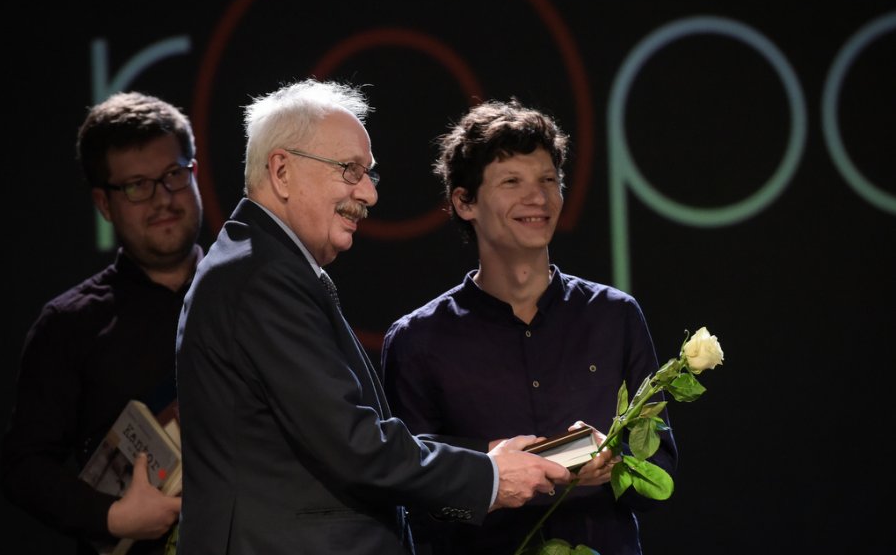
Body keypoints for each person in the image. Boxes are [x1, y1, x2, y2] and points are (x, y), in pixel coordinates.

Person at [173, 78, 571, 555]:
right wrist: (488, 476)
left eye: (369, 175)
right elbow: (353, 444)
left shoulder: (260, 264)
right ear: (281, 172)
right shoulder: (260, 277)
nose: (369, 194)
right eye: (350, 170)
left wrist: (487, 457)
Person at [380, 99, 678, 555]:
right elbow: (414, 500)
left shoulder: (614, 316)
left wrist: (616, 463)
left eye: (548, 181)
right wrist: (497, 472)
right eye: (511, 182)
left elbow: (660, 471)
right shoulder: (418, 340)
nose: (537, 198)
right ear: (465, 202)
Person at [0, 91, 204, 554]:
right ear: (104, 203)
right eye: (136, 185)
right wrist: (111, 516)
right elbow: (24, 466)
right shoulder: (68, 325)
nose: (162, 198)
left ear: (194, 173)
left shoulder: (254, 298)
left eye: (173, 175)